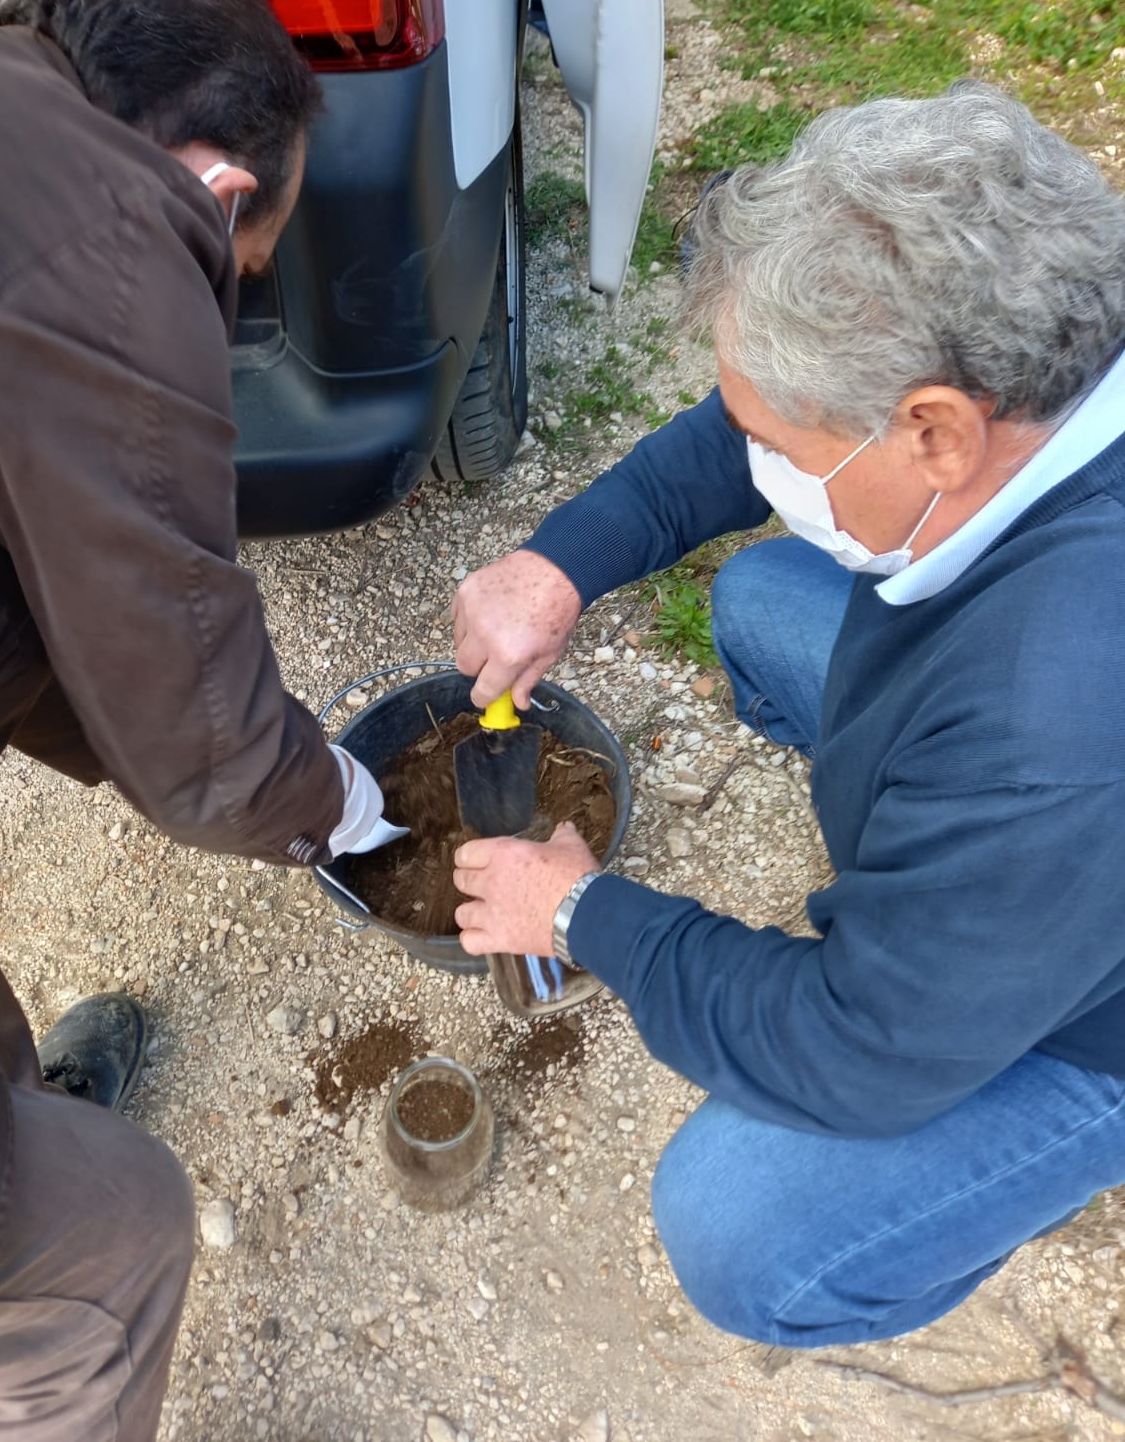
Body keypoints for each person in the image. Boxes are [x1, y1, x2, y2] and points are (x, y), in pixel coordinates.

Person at [450, 81, 1125, 1347]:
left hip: (1096, 1004)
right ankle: (939, 884)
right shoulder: (1053, 359)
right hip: (1031, 788)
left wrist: (583, 911)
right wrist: (564, 564)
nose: (751, 461)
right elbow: (733, 431)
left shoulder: (1053, 727)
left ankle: (981, 1191)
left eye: (776, 441)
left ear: (937, 431)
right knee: (764, 598)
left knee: (738, 1223)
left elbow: (856, 1047)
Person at [0, 0, 390, 1438]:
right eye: (243, 277)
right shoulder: (108, 236)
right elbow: (200, 741)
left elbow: (35, 614)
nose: (227, 312)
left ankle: (1, 1119)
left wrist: (174, 737)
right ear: (217, 181)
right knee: (119, 1231)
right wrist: (326, 797)